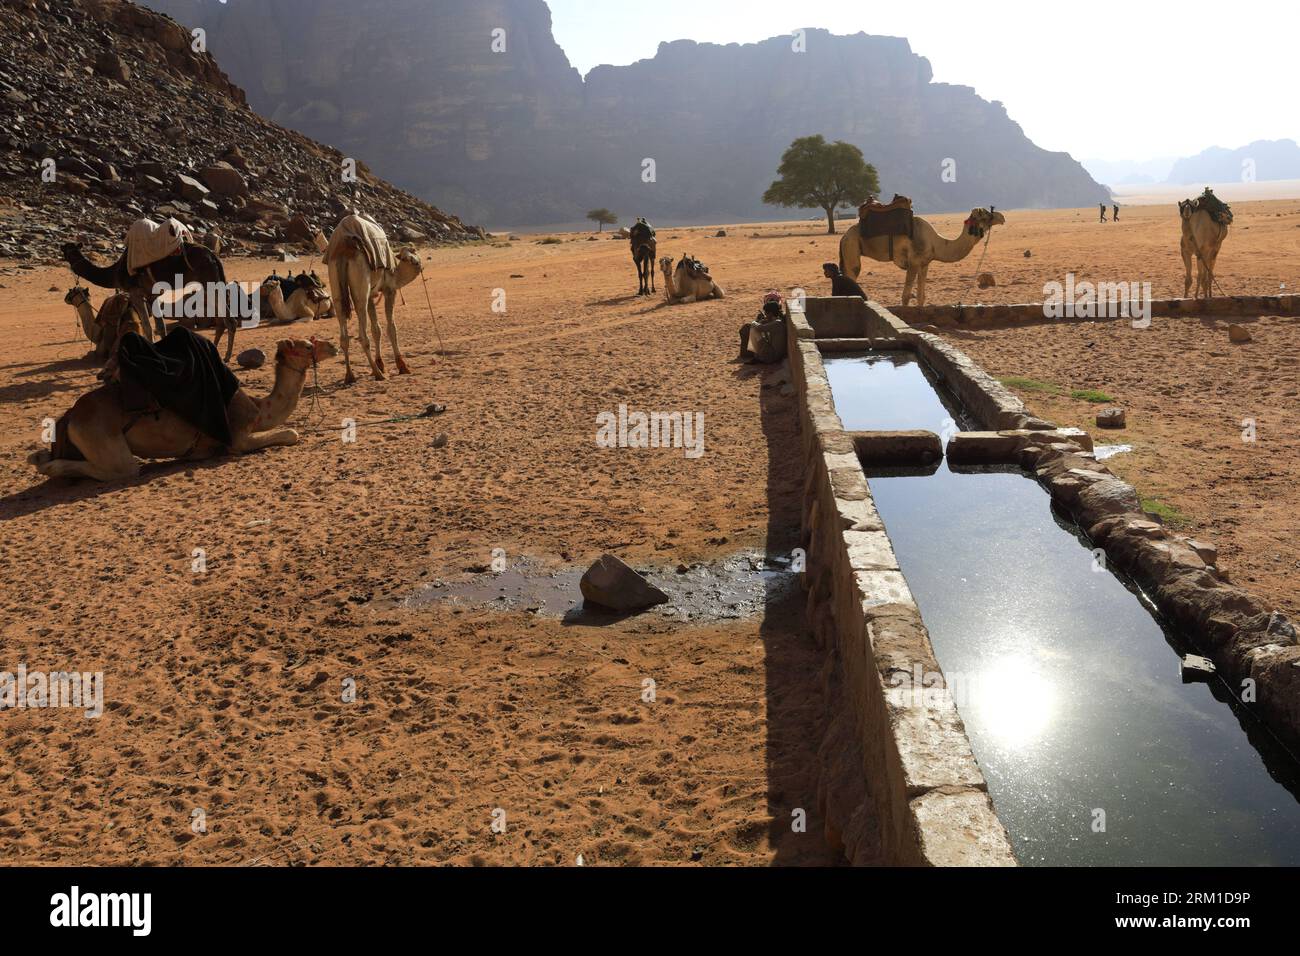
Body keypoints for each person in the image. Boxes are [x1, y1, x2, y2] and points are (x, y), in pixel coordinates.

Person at [739, 290, 787, 363]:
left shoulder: (777, 323)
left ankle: (756, 357)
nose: (766, 315)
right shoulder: (777, 321)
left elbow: (759, 328)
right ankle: (756, 355)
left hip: (772, 357)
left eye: (766, 313)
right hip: (775, 354)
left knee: (754, 331)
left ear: (770, 313)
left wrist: (754, 322)